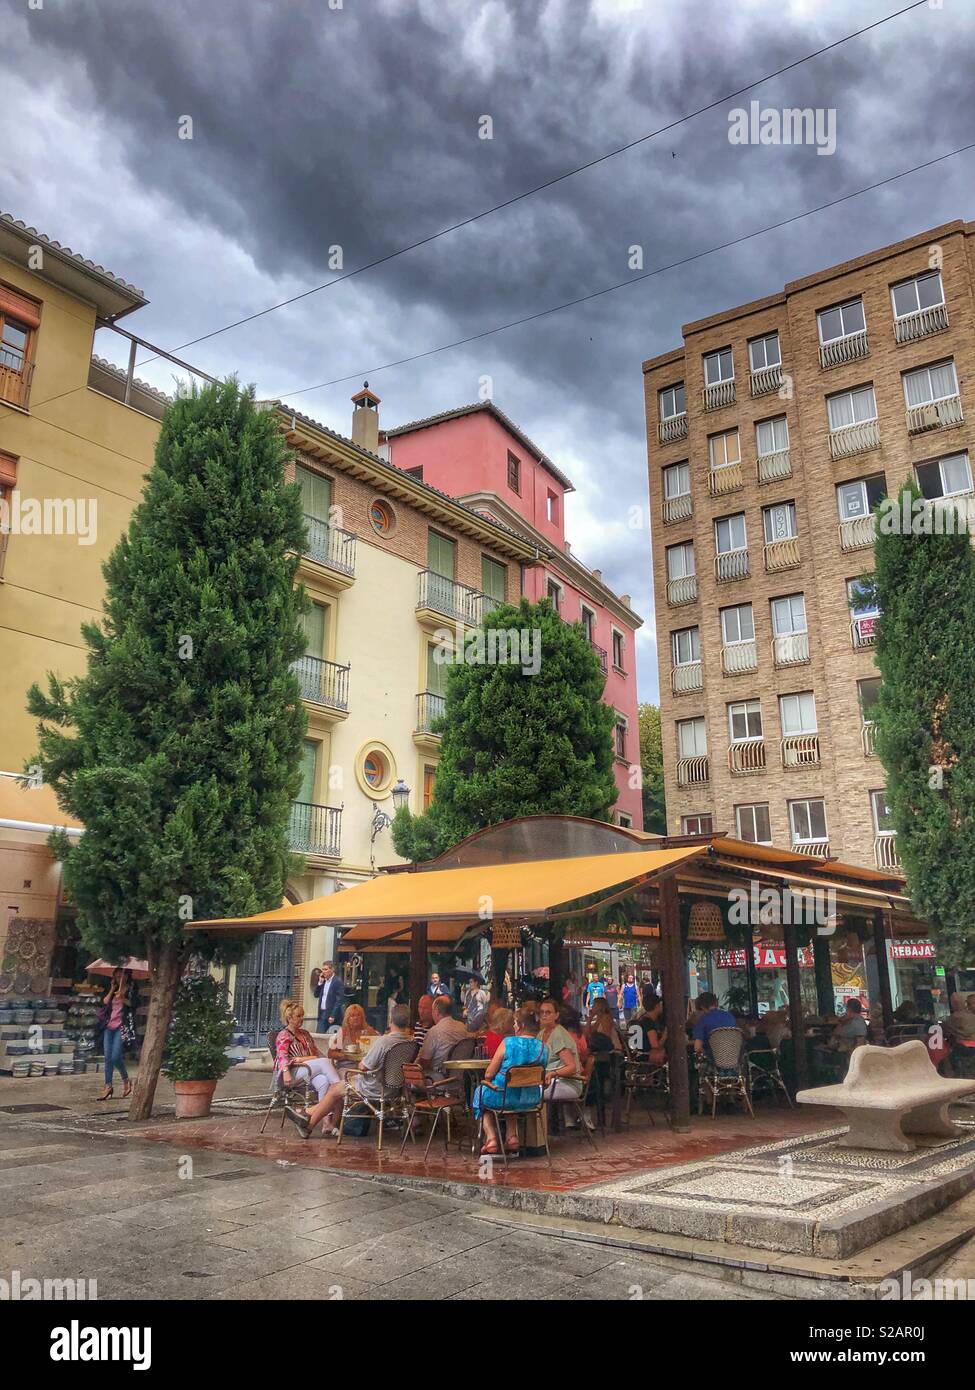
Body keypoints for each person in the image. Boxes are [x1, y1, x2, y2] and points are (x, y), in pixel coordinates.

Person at [473, 1007, 549, 1156]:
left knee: (481, 1093)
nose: (513, 1026)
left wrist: (489, 1079)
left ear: (520, 1026)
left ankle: (491, 1137)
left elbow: (488, 1074)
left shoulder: (508, 1043)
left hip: (503, 1097)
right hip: (531, 1100)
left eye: (515, 1023)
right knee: (511, 1095)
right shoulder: (544, 1048)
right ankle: (511, 1136)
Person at [278, 999, 344, 1138]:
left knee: (325, 1082)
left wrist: (316, 1059)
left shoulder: (305, 1034)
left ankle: (326, 1122)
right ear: (289, 1018)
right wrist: (285, 1072)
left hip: (309, 1070)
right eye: (298, 1016)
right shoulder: (284, 1035)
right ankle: (340, 1088)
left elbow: (317, 1053)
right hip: (293, 1072)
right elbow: (282, 1056)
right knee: (326, 1065)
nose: (302, 1019)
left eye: (302, 1015)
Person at [98, 968, 135, 1101]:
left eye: (122, 974)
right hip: (109, 1026)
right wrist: (112, 989)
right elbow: (105, 1002)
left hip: (122, 1027)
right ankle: (108, 1085)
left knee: (115, 1056)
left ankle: (126, 1079)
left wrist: (123, 997)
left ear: (127, 975)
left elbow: (134, 1005)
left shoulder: (130, 989)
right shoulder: (113, 989)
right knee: (107, 1057)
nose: (119, 977)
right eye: (117, 975)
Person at [538, 996, 583, 1103]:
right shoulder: (541, 1033)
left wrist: (553, 1073)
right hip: (549, 1082)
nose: (544, 1015)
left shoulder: (558, 1035)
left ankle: (542, 1120)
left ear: (556, 1015)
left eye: (548, 1012)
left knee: (529, 1095)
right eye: (542, 1012)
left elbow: (571, 1067)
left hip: (567, 1083)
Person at [418, 997, 469, 1081]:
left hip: (436, 1079)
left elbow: (423, 1063)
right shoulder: (462, 1027)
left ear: (436, 1012)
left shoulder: (434, 1032)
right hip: (459, 1079)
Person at [691, 992, 738, 1061]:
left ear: (702, 1007)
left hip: (714, 1062)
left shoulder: (703, 1020)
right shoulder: (730, 1016)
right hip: (733, 1060)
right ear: (715, 1003)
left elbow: (697, 1047)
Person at [314, 961, 344, 1031]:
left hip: (331, 1014)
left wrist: (333, 1015)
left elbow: (339, 1000)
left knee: (329, 1037)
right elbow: (316, 995)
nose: (323, 972)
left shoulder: (337, 981)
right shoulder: (323, 981)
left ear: (332, 970)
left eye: (326, 969)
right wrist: (320, 983)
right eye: (323, 970)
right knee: (319, 1036)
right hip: (322, 1013)